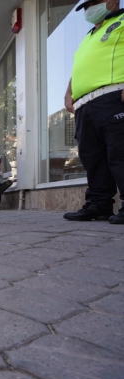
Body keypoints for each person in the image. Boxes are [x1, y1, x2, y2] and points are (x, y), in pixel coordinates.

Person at [63, 0, 124, 224]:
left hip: (113, 97)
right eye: (86, 6)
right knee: (93, 158)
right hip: (86, 105)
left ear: (113, 1)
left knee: (120, 152)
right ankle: (99, 205)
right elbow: (80, 66)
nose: (90, 9)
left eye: (95, 3)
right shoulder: (89, 36)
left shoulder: (121, 21)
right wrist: (69, 92)